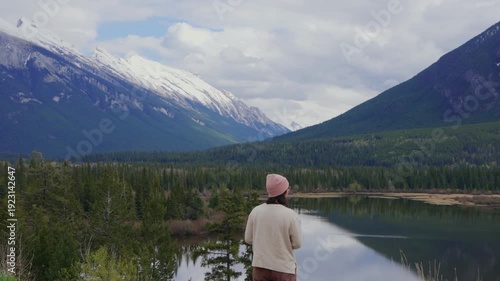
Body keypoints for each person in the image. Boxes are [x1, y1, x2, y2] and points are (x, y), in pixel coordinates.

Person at [245, 173, 302, 281]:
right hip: (284, 269)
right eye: (287, 189)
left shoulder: (256, 211)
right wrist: (282, 244)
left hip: (260, 267)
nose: (288, 191)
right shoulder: (290, 215)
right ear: (283, 192)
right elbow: (297, 243)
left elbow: (248, 239)